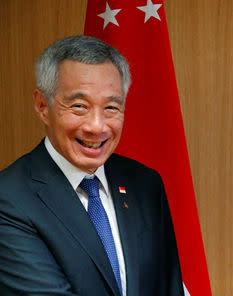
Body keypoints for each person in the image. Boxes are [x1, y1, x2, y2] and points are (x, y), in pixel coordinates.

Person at [0, 35, 184, 296]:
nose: (97, 126)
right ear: (42, 105)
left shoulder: (145, 184)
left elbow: (168, 287)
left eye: (111, 107)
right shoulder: (10, 199)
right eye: (79, 106)